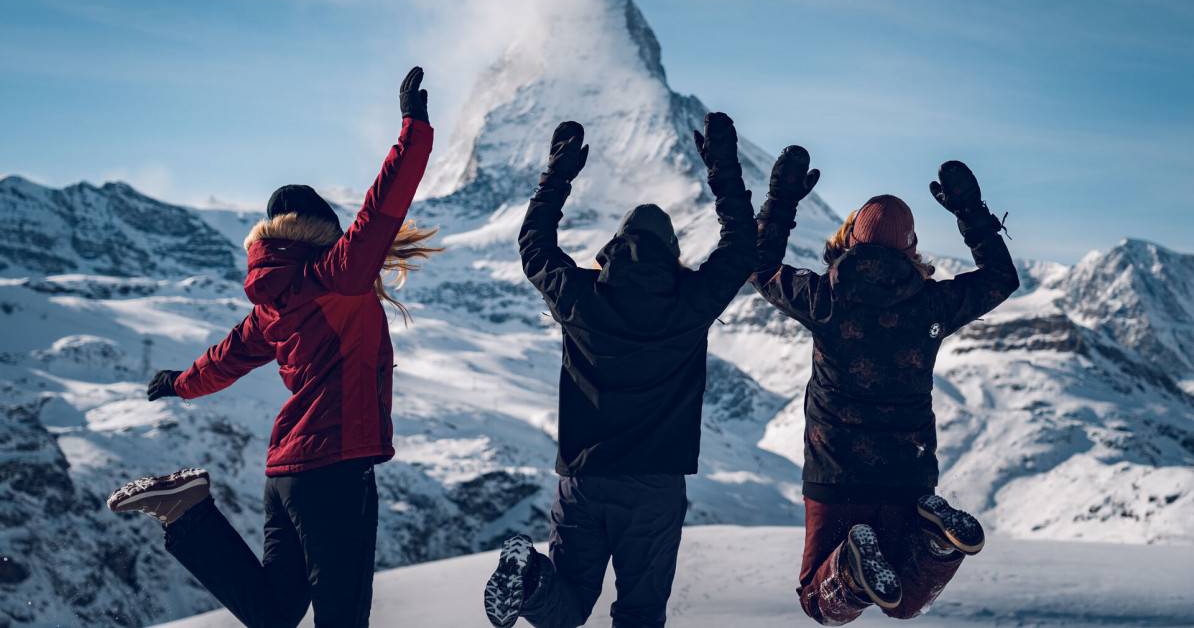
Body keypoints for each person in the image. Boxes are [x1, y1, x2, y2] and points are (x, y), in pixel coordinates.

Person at [106, 67, 440, 628]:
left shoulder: (269, 306)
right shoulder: (339, 276)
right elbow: (383, 210)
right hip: (336, 471)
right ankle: (188, 513)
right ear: (325, 235)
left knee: (276, 612)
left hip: (285, 475)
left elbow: (223, 359)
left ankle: (188, 515)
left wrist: (178, 383)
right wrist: (414, 128)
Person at [484, 114, 756, 628]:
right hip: (654, 487)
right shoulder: (690, 301)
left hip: (584, 478)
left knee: (565, 602)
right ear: (673, 255)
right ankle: (532, 581)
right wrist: (722, 169)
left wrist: (557, 176)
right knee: (640, 612)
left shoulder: (582, 296)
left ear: (612, 249)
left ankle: (529, 579)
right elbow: (744, 249)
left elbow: (534, 247)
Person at [751, 149, 1019, 624]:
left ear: (850, 239)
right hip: (908, 473)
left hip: (835, 471)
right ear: (911, 248)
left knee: (822, 601)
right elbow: (1001, 278)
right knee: (906, 601)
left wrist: (781, 201)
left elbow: (760, 266)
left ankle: (853, 570)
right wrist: (970, 213)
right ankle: (938, 543)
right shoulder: (930, 303)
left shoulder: (824, 296)